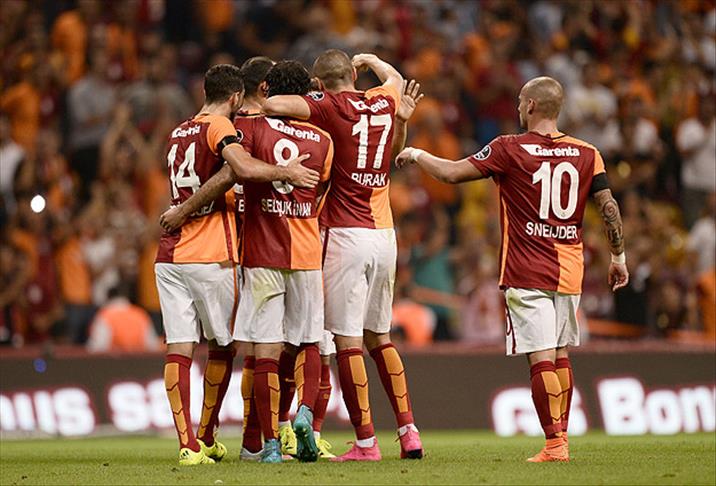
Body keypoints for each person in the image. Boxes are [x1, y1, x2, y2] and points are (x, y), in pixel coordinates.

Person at [396, 76, 629, 463]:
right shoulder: (588, 152)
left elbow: (452, 173)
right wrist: (618, 257)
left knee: (541, 358)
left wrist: (418, 154)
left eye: (521, 101)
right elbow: (608, 207)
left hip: (527, 269)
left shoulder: (509, 147)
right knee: (560, 355)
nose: (519, 107)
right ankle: (561, 438)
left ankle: (555, 444)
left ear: (532, 106)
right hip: (569, 269)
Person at [160, 57, 338, 461]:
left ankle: (259, 441)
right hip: (269, 250)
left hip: (250, 249)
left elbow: (232, 172)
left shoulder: (232, 129)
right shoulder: (319, 139)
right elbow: (240, 172)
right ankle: (284, 425)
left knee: (260, 350)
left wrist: (182, 210)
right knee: (303, 343)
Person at [262, 50, 425, 461]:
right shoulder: (384, 100)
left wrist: (307, 99)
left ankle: (366, 442)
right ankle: (409, 432)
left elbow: (274, 104)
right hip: (385, 234)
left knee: (346, 341)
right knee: (380, 337)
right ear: (354, 73)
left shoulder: (328, 105)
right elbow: (395, 77)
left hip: (344, 233)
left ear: (319, 84)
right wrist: (374, 61)